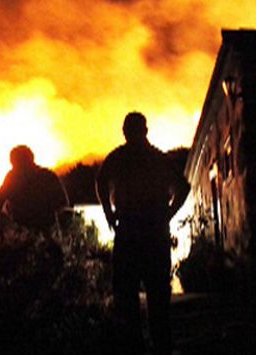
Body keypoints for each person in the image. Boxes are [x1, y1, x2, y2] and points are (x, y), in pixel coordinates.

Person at [96, 112, 190, 355]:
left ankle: (141, 347)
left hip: (131, 231)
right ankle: (160, 346)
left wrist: (109, 213)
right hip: (150, 231)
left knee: (130, 297)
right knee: (155, 295)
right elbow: (183, 187)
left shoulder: (120, 157)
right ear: (144, 131)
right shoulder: (157, 158)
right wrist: (168, 214)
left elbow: (101, 180)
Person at [0, 145, 69, 234]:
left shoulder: (13, 178)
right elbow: (63, 203)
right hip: (42, 231)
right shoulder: (48, 175)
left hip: (27, 232)